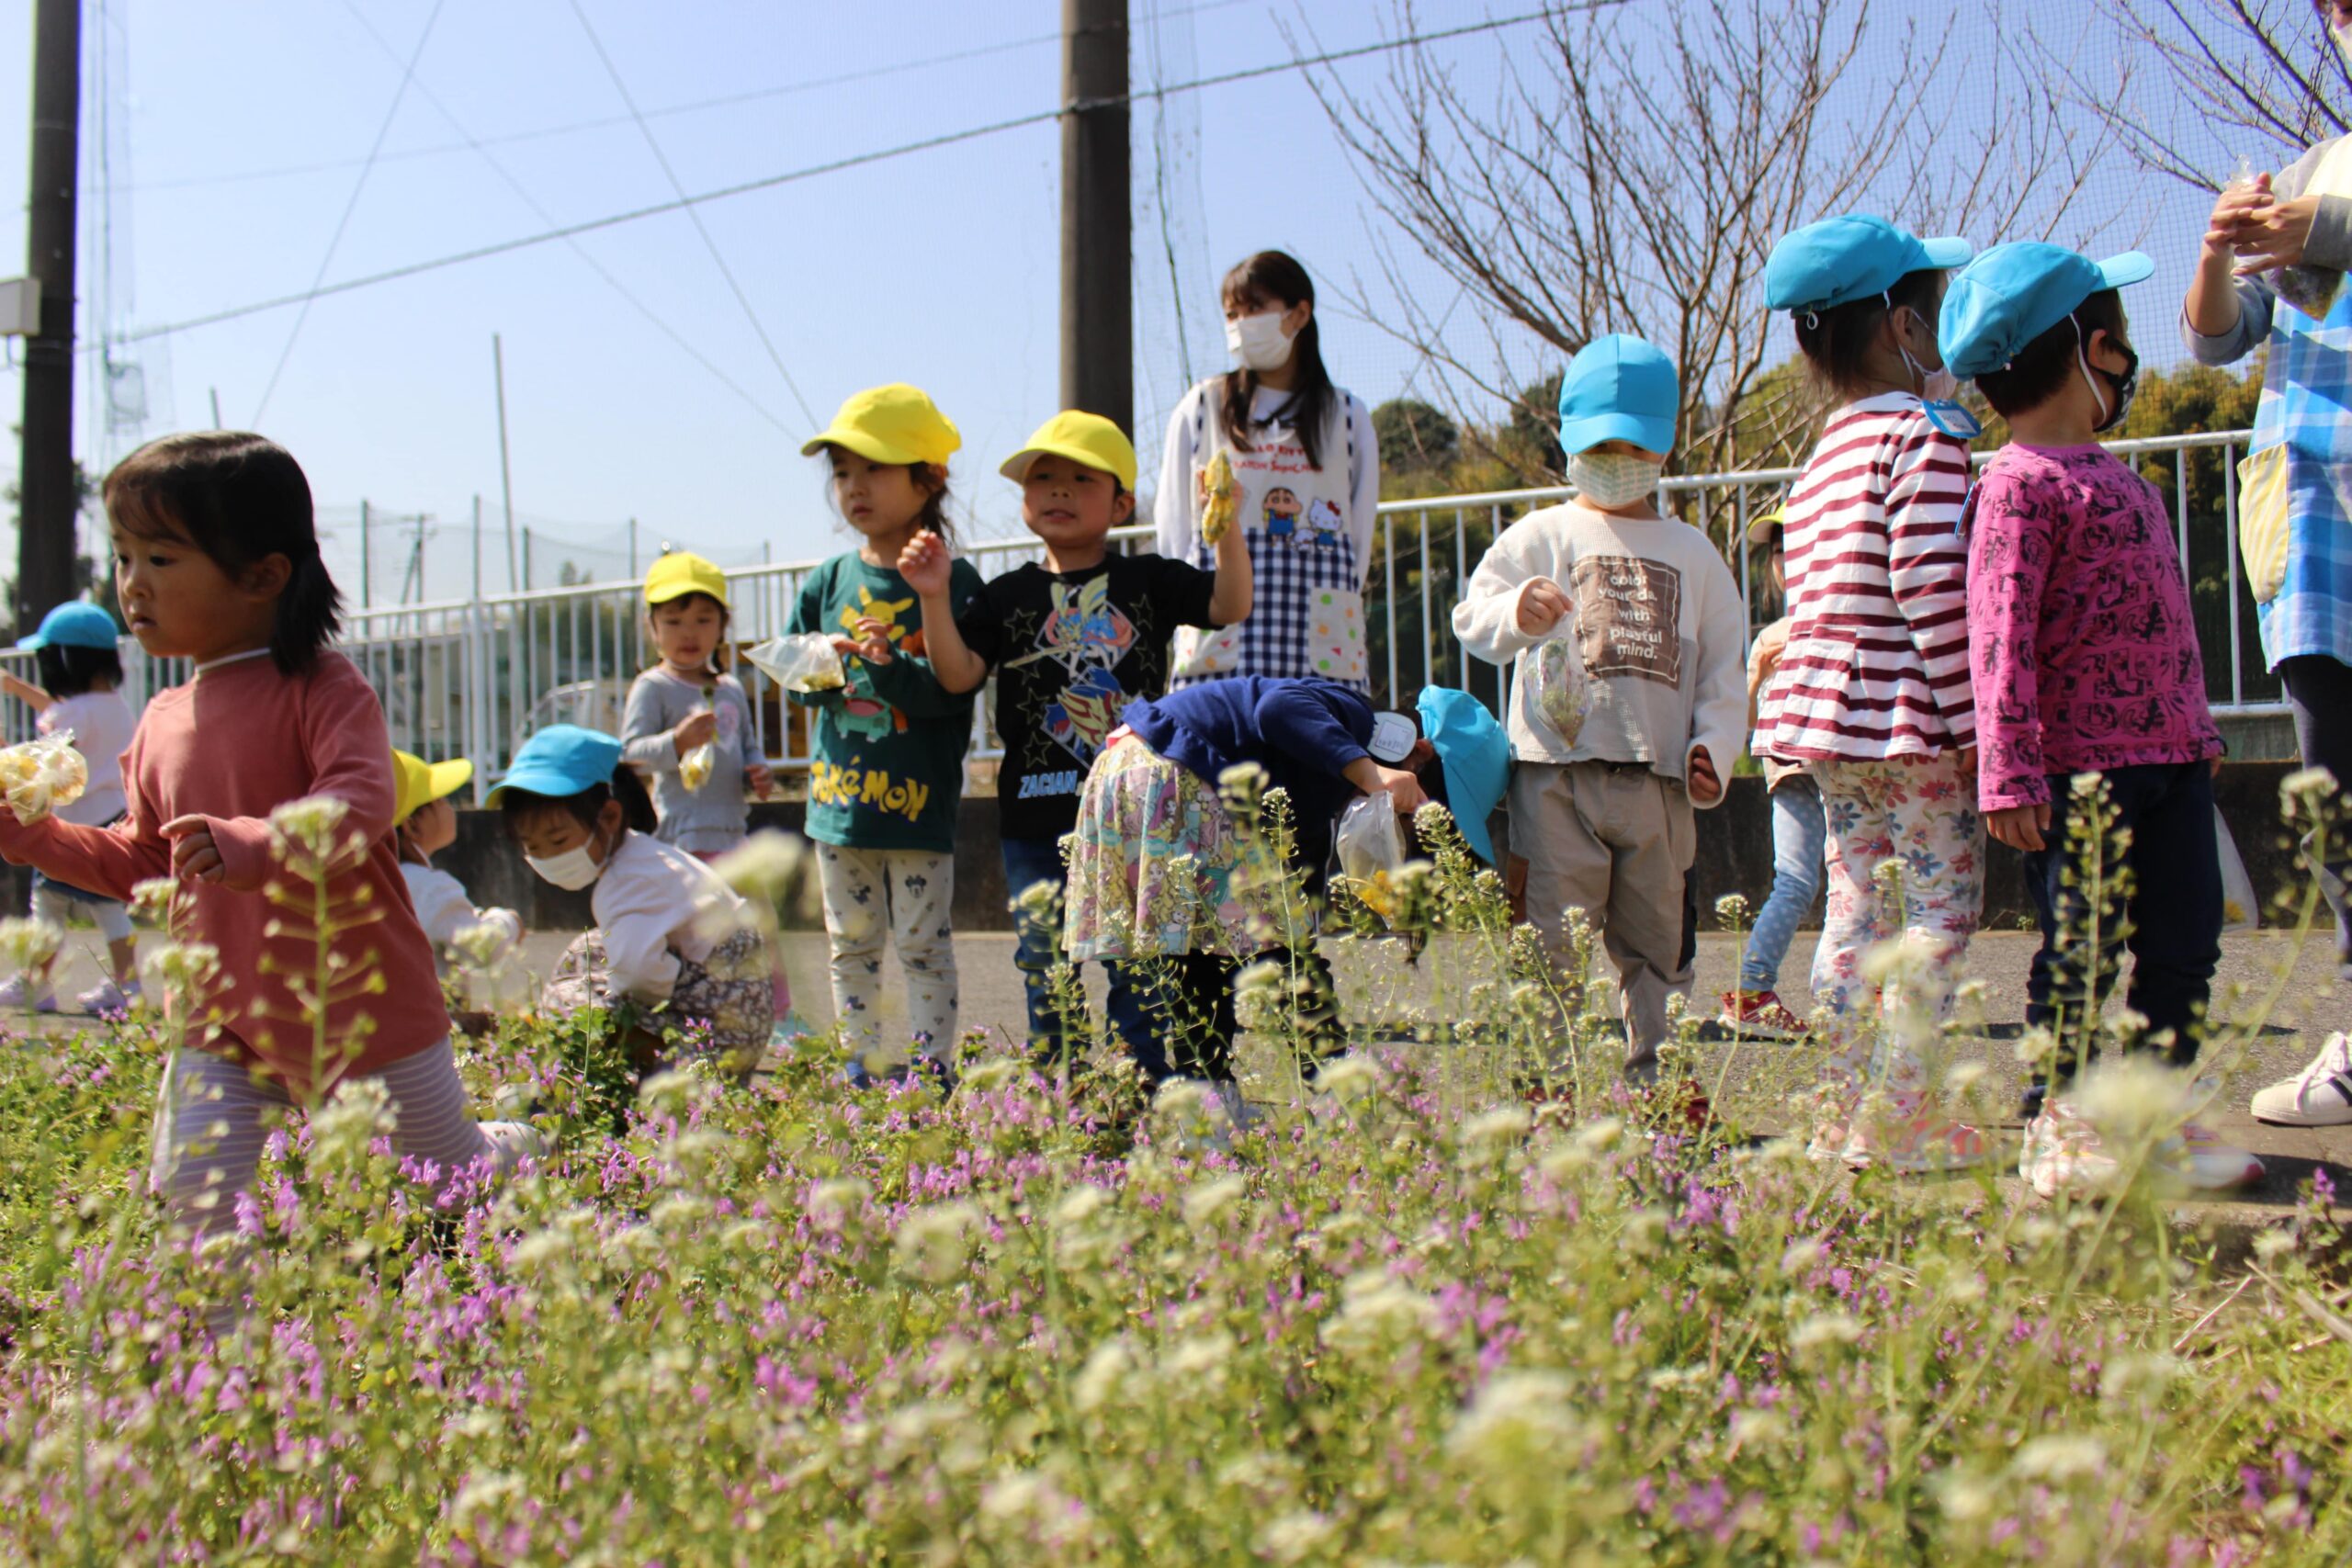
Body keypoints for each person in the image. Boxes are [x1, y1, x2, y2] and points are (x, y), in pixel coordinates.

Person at [0, 432, 541, 1280]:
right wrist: (24, 833)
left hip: (361, 1000)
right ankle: (223, 1362)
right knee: (195, 1197)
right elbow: (142, 860)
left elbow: (360, 805)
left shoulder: (324, 687)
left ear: (263, 575)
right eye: (124, 555)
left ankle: (511, 1153)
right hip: (222, 1011)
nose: (132, 582)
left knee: (445, 1182)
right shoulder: (159, 720)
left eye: (162, 557)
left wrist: (255, 841)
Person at [1943, 241, 2262, 1196]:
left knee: (2183, 942)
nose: (2129, 359)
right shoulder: (2013, 483)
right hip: (2080, 770)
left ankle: (2155, 1115)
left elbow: (2173, 627)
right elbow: (1997, 638)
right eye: (2117, 339)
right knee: (2077, 950)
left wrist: (2201, 737)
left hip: (2170, 759)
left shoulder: (2126, 480)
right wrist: (2007, 771)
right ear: (2089, 349)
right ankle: (2061, 1117)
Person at [900, 411, 1251, 1071]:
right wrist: (932, 596)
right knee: (1041, 956)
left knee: (1134, 958)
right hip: (1032, 815)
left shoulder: (1148, 579)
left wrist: (1224, 523)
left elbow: (1229, 604)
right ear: (1026, 500)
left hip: (1132, 814)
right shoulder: (1005, 595)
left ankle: (1137, 1078)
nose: (1058, 490)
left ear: (1122, 503)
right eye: (1043, 478)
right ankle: (1063, 1082)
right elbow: (957, 674)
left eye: (1079, 478)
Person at [1758, 212, 1990, 1173]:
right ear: (1901, 326)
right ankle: (1901, 1116)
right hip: (1911, 715)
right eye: (1930, 318)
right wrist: (1978, 723)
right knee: (1941, 908)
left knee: (1853, 905)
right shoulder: (1925, 436)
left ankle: (1840, 1109)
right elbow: (1930, 586)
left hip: (1825, 721)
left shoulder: (1821, 454)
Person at [1453, 334, 1746, 1090]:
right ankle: (1539, 1092)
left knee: (1661, 945)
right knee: (1549, 943)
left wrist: (1714, 744)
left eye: (1634, 444)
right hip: (1552, 780)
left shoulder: (1695, 551)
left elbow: (1723, 668)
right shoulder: (1542, 534)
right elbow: (1472, 618)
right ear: (1569, 439)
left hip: (1660, 783)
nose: (1618, 459)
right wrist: (1517, 608)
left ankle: (1662, 1081)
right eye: (1600, 444)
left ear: (1665, 446)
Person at [1061, 676, 1505, 1114]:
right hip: (1180, 771)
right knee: (1280, 960)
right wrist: (1374, 774)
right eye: (1411, 810)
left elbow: (1296, 902)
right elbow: (1276, 710)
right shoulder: (1352, 716)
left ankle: (1207, 1102)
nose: (1402, 821)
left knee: (1200, 957)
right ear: (1419, 754)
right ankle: (1339, 1095)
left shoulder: (1314, 790)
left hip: (1129, 770)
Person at [2178, 20, 2352, 1124]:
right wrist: (2214, 248)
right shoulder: (2303, 170)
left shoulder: (2321, 198)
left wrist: (2328, 229)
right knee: (2333, 792)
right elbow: (2213, 340)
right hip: (2316, 532)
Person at [787, 385, 980, 1081]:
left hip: (918, 808)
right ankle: (859, 1070)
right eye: (842, 471)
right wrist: (822, 664)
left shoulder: (954, 582)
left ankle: (932, 1072)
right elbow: (793, 675)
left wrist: (889, 665)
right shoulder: (827, 579)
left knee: (924, 946)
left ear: (928, 478)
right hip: (839, 809)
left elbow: (951, 690)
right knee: (850, 946)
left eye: (873, 467)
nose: (853, 486)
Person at [1157, 250, 1381, 689]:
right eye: (1231, 313)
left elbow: (1358, 536)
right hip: (1218, 647)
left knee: (1317, 754)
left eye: (1255, 308)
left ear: (1299, 314)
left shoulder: (1348, 415)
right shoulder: (1202, 406)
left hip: (1321, 644)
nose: (1242, 323)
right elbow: (1175, 531)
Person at [495, 725, 773, 1079]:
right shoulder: (642, 856)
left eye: (558, 839)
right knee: (588, 950)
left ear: (609, 817)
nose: (547, 856)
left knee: (574, 1005)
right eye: (532, 847)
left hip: (718, 1032)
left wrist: (609, 1007)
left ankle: (617, 1077)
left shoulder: (627, 881)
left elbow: (639, 975)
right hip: (737, 1009)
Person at [0, 600, 141, 1014]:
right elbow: (60, 715)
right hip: (111, 822)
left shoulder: (75, 712)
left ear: (62, 660)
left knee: (47, 906)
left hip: (70, 829)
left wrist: (6, 752)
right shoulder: (115, 705)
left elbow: (44, 759)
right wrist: (16, 687)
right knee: (110, 908)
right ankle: (128, 986)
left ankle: (37, 985)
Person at [1719, 508, 1825, 1039]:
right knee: (1797, 880)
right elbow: (1747, 725)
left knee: (1866, 881)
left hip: (1844, 764)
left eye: (1797, 544)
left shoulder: (1845, 616)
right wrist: (1760, 672)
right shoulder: (1769, 637)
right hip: (1790, 768)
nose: (1786, 559)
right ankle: (1752, 988)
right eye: (1779, 551)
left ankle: (1852, 991)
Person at [620, 551, 775, 856]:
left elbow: (747, 746)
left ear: (722, 625)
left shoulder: (730, 688)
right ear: (652, 627)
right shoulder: (653, 686)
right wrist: (677, 742)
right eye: (673, 621)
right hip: (680, 839)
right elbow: (630, 754)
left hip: (733, 834)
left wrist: (759, 770)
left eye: (703, 620)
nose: (689, 633)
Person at [390, 749, 521, 977]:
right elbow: (482, 947)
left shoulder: (375, 881)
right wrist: (508, 922)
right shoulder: (429, 887)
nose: (448, 807)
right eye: (440, 800)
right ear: (412, 826)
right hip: (430, 1011)